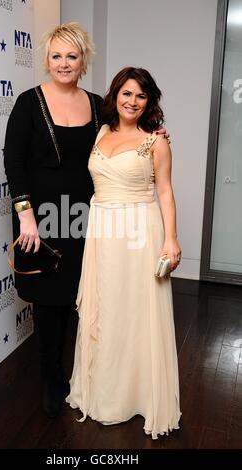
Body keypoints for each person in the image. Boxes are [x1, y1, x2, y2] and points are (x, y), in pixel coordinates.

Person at [4, 23, 168, 419]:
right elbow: (13, 161)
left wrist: (158, 133)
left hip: (89, 218)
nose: (64, 63)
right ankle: (50, 380)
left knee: (83, 297)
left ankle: (83, 376)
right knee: (46, 301)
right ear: (47, 60)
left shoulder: (99, 105)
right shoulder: (28, 103)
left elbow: (128, 132)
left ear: (83, 61)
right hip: (40, 220)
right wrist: (26, 217)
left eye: (71, 56)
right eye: (56, 56)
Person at [66, 67, 182, 439]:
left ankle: (136, 394)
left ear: (149, 102)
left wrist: (172, 239)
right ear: (115, 95)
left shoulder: (156, 141)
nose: (132, 102)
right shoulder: (101, 131)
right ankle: (103, 391)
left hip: (138, 233)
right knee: (107, 307)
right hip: (102, 230)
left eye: (141, 96)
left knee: (135, 310)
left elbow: (164, 191)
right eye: (126, 94)